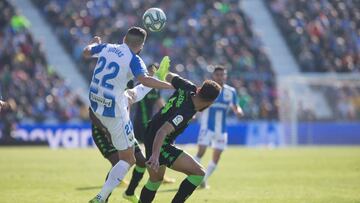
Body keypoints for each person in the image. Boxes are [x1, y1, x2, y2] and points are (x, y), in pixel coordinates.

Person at [83, 27, 173, 203]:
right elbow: (145, 79)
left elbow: (86, 52)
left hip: (95, 103)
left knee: (130, 95)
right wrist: (171, 85)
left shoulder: (107, 47)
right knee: (129, 158)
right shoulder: (134, 59)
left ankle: (111, 195)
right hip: (114, 113)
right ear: (141, 46)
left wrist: (93, 43)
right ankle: (101, 198)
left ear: (124, 38)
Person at [138, 72, 221, 203]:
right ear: (210, 102)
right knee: (198, 174)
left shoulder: (188, 87)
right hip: (159, 141)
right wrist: (155, 155)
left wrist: (163, 74)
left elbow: (169, 76)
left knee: (155, 181)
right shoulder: (185, 112)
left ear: (199, 89)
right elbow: (162, 132)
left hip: (151, 132)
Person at [194, 65, 243, 189]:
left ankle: (203, 179)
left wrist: (238, 111)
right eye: (218, 75)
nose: (220, 77)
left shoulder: (231, 91)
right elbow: (197, 102)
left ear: (225, 76)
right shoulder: (208, 90)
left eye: (223, 75)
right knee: (201, 151)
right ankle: (195, 175)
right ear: (213, 76)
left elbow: (235, 106)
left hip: (221, 129)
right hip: (207, 127)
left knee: (217, 157)